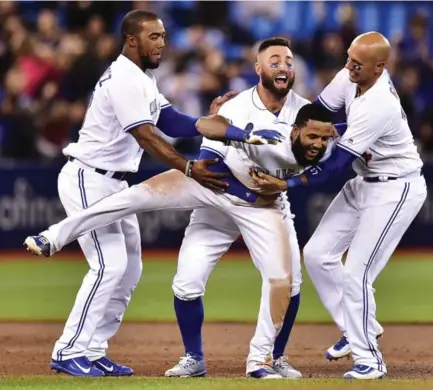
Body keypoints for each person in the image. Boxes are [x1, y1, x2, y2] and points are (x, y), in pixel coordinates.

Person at [23, 9, 259, 378]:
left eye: (163, 36)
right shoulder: (124, 78)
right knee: (108, 265)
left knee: (130, 268)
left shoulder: (142, 79)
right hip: (90, 176)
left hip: (113, 181)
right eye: (154, 37)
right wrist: (186, 165)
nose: (162, 43)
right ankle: (68, 351)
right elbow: (147, 135)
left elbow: (172, 120)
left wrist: (222, 128)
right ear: (132, 40)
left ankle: (93, 348)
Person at [24, 103, 335, 378]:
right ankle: (54, 235)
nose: (318, 143)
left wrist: (288, 182)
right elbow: (211, 141)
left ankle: (262, 360)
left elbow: (328, 168)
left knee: (283, 281)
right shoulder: (269, 134)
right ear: (296, 130)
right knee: (134, 197)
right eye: (312, 137)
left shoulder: (327, 144)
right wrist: (221, 126)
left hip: (261, 207)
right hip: (213, 185)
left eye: (324, 137)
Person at [251, 32, 427, 380]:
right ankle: (356, 326)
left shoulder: (379, 104)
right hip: (365, 182)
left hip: (396, 188)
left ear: (380, 67)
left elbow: (333, 167)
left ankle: (370, 360)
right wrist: (259, 104)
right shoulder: (351, 76)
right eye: (348, 57)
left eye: (357, 63)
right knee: (317, 254)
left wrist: (286, 183)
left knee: (356, 275)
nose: (348, 66)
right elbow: (313, 111)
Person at [164, 37, 322, 379]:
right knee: (186, 282)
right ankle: (193, 358)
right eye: (275, 60)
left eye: (289, 61)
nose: (283, 66)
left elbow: (324, 161)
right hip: (220, 201)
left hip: (268, 207)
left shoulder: (307, 112)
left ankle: (274, 357)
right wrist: (244, 190)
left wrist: (286, 183)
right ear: (259, 68)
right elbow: (208, 161)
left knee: (290, 282)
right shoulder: (234, 107)